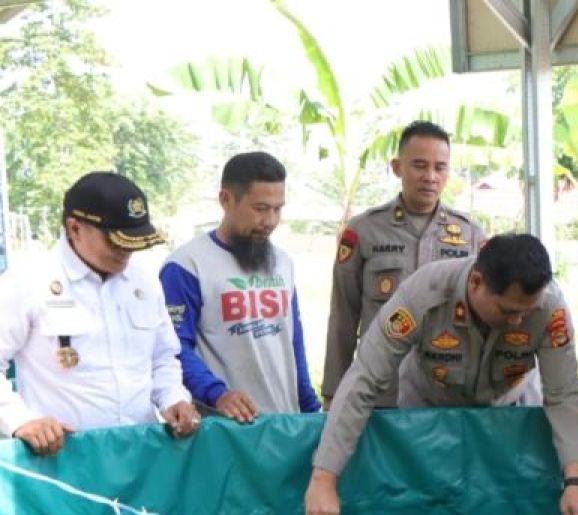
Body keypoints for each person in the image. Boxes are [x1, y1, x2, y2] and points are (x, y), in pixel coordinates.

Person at [304, 234, 578, 515]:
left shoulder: (550, 307)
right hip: (428, 408)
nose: (518, 321)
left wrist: (574, 483)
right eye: (507, 310)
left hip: (507, 413)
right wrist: (324, 478)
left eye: (527, 312)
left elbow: (563, 396)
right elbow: (366, 378)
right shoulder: (422, 293)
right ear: (476, 282)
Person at [0, 172, 200, 454]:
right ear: (75, 228)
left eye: (134, 242)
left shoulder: (144, 281)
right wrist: (22, 421)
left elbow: (162, 357)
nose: (126, 251)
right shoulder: (29, 280)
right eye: (116, 241)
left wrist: (173, 399)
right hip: (63, 457)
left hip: (140, 454)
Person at [323, 120, 487, 408]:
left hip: (446, 393)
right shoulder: (363, 231)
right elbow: (343, 317)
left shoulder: (471, 235)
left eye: (440, 167)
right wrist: (334, 392)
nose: (431, 176)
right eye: (420, 165)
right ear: (397, 167)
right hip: (381, 390)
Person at [159, 152, 320, 420]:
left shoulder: (282, 262)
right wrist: (217, 393)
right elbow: (172, 349)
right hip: (226, 431)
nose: (270, 221)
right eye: (260, 208)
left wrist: (310, 407)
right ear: (226, 200)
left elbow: (293, 342)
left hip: (284, 424)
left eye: (278, 209)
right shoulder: (186, 265)